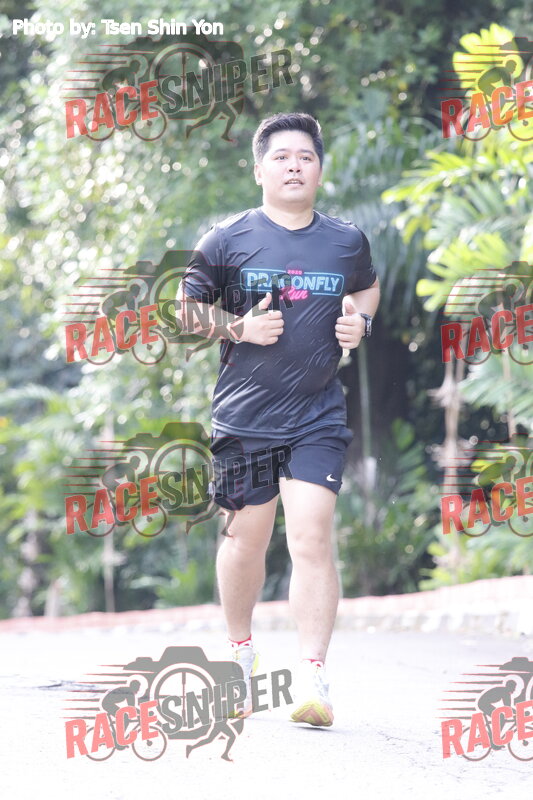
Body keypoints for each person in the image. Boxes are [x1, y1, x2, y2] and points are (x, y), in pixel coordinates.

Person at [178, 112, 380, 727]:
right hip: (245, 418)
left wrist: (360, 322)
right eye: (282, 157)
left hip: (318, 414)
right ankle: (240, 656)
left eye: (306, 157)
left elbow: (366, 289)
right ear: (259, 169)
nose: (294, 166)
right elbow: (186, 311)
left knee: (312, 536)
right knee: (245, 539)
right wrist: (238, 328)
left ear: (319, 170)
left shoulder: (346, 241)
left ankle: (313, 676)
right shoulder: (226, 239)